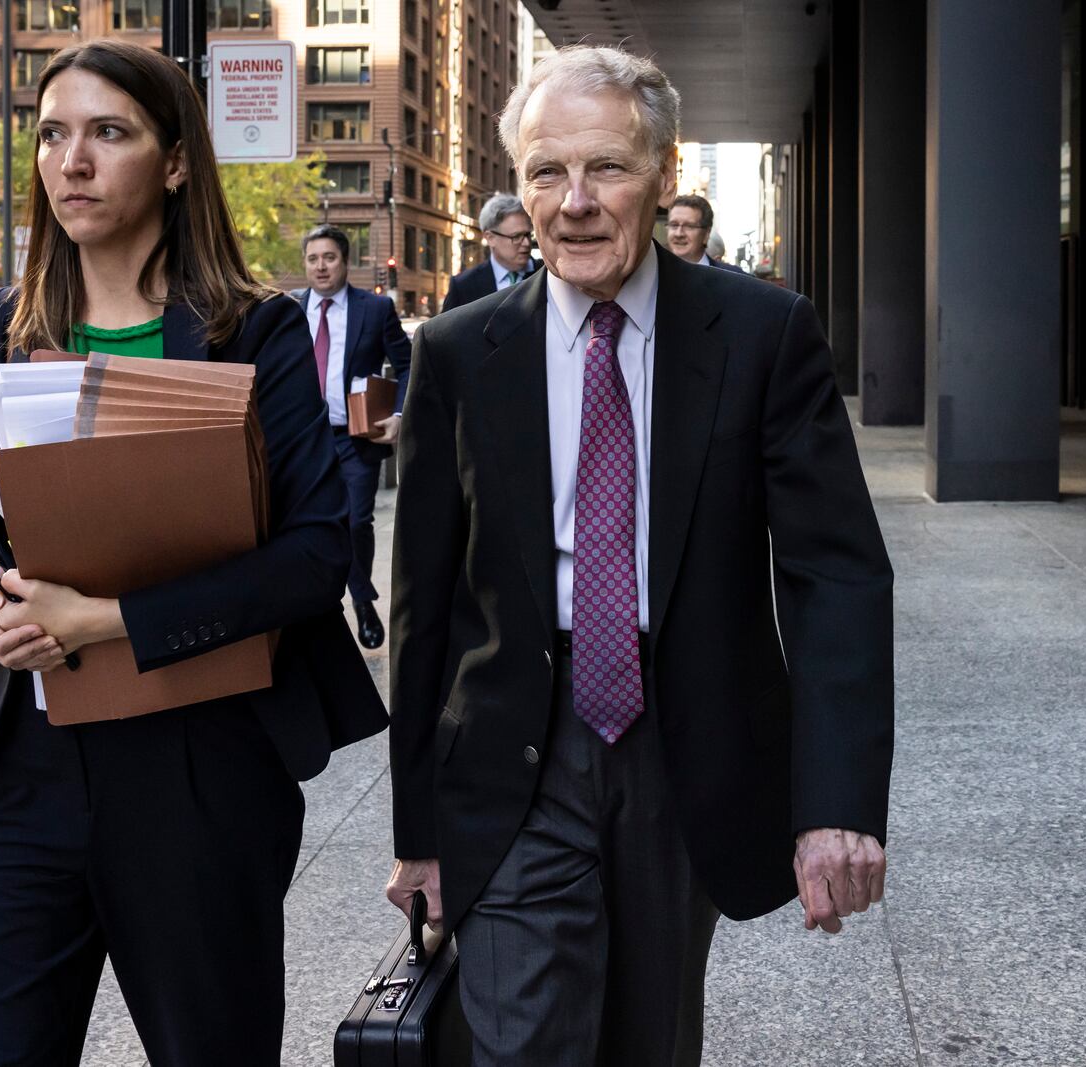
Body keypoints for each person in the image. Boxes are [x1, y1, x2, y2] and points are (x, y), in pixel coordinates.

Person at [386, 45, 894, 1066]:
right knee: (523, 1036)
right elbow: (422, 602)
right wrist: (415, 827)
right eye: (544, 172)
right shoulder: (457, 351)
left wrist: (835, 803)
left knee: (650, 1037)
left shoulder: (761, 335)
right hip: (513, 744)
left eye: (605, 168)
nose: (572, 201)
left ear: (662, 174)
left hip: (688, 738)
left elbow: (833, 573)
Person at [0, 40, 385, 1066]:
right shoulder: (9, 322)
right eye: (51, 134)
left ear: (175, 161)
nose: (70, 161)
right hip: (14, 770)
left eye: (107, 133)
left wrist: (116, 620)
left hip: (197, 772)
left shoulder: (248, 334)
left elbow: (315, 551)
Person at [289, 223, 412, 649]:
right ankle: (335, 602)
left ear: (345, 262)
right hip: (304, 440)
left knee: (357, 519)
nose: (320, 267)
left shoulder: (374, 310)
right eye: (312, 259)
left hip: (355, 437)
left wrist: (400, 413)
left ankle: (360, 599)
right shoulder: (289, 310)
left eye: (329, 258)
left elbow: (409, 363)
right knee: (310, 523)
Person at [441, 192, 538, 311]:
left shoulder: (549, 274)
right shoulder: (463, 285)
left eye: (527, 235)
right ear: (490, 238)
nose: (527, 243)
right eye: (516, 237)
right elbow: (446, 329)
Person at [666, 194, 742, 271]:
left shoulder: (735, 277)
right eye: (674, 225)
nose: (679, 234)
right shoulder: (655, 274)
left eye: (689, 226)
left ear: (706, 234)